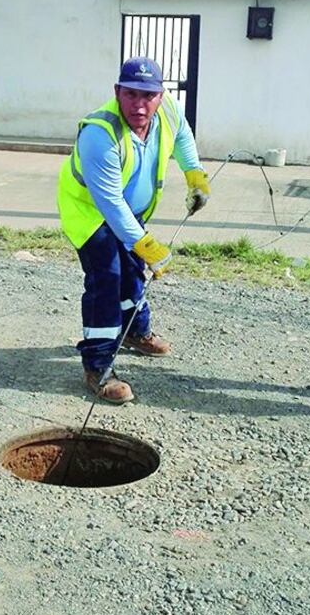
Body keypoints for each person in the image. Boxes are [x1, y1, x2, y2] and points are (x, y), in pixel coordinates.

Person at [56, 57, 210, 404]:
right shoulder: (100, 133)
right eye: (130, 95)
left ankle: (135, 332)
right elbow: (109, 203)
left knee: (132, 270)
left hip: (131, 211)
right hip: (90, 213)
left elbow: (183, 135)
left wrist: (195, 174)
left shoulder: (167, 110)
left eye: (148, 96)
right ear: (117, 92)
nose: (139, 105)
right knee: (107, 278)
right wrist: (146, 244)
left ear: (160, 95)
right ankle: (98, 365)